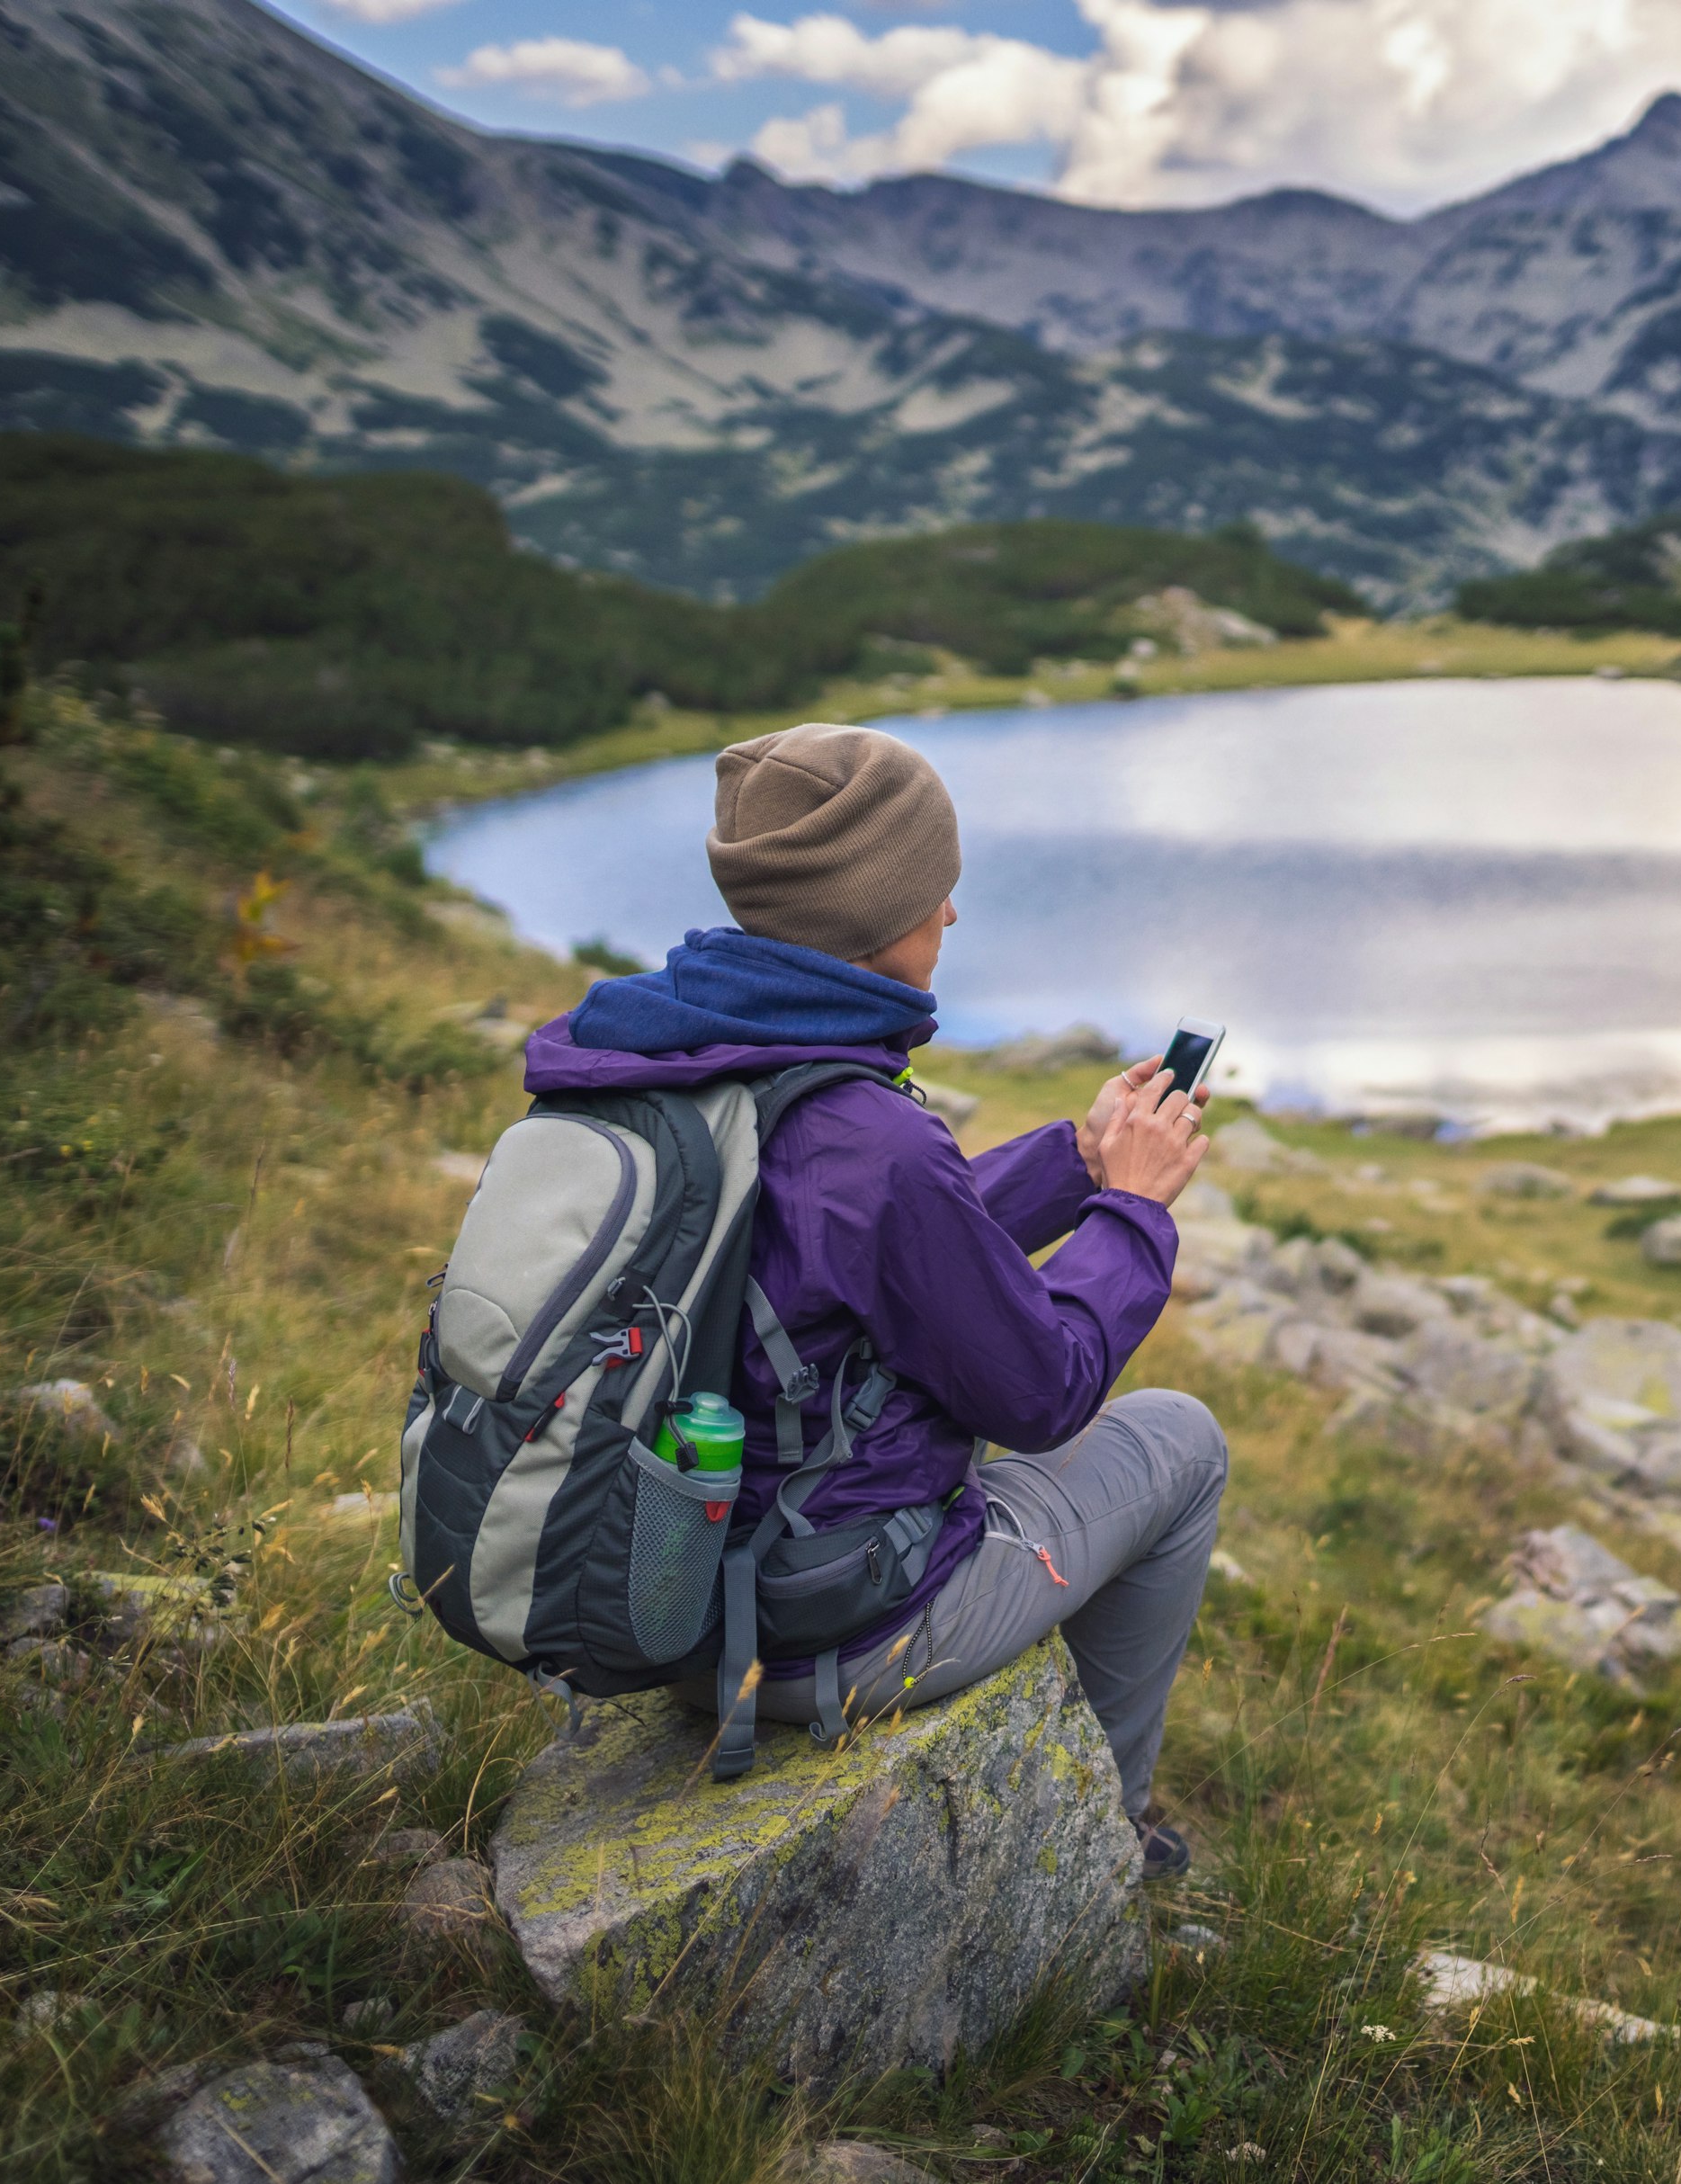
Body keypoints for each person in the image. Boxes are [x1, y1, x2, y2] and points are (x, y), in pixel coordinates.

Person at [521, 721, 1221, 1879]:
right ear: (875, 904)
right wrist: (1135, 1211)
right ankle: (1105, 1832)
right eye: (935, 890)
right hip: (825, 1620)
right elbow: (1043, 1388)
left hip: (657, 1585)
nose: (951, 916)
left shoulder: (671, 1053)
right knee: (1181, 1442)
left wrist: (1075, 1162)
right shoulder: (866, 1131)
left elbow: (844, 1244)